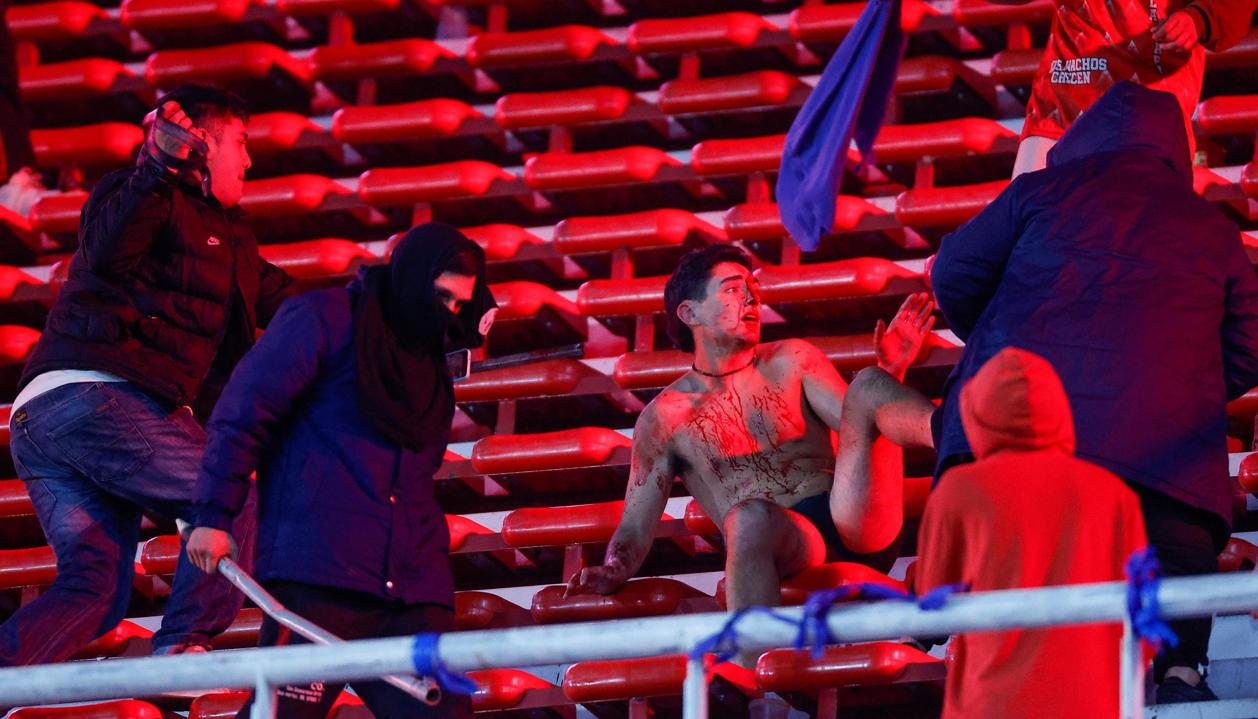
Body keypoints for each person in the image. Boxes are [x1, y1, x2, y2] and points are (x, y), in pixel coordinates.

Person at [931, 81, 1258, 703]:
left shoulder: (1039, 191)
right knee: (1175, 535)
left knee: (1019, 567)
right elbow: (1250, 343)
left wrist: (1003, 353)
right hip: (1160, 448)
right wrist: (1183, 382)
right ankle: (1181, 671)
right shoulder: (1210, 226)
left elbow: (952, 272)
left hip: (1020, 440)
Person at [0, 84, 294, 664]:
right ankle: (184, 645)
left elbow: (299, 308)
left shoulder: (230, 237)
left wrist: (404, 315)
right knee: (225, 498)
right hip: (98, 396)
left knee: (95, 589)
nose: (250, 160)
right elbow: (109, 249)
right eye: (240, 142)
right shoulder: (138, 190)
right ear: (203, 144)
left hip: (47, 416)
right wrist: (158, 165)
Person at [185, 222, 495, 719]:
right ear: (411, 276)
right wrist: (212, 515)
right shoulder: (322, 318)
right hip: (319, 577)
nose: (449, 314)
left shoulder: (428, 360)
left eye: (460, 305)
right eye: (442, 297)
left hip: (414, 587)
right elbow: (243, 413)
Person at [565, 245, 938, 638]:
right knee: (747, 518)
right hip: (783, 545)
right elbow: (634, 526)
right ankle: (759, 677)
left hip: (853, 516)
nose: (751, 298)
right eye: (731, 289)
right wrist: (612, 569)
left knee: (869, 384)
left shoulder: (793, 358)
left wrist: (892, 368)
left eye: (753, 288)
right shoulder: (662, 418)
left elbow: (860, 429)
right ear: (690, 313)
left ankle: (961, 433)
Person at [917, 347, 1148, 719]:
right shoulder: (1113, 492)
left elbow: (933, 599)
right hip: (1091, 700)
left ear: (976, 412)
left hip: (989, 701)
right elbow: (1143, 610)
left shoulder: (959, 490)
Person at [1010, 0, 1256, 176]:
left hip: (1146, 116)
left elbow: (1234, 7)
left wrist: (1199, 19)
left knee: (1131, 237)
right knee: (1027, 223)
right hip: (1062, 101)